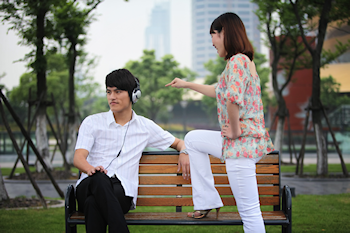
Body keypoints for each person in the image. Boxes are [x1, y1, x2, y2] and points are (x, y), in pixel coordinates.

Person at [166, 12, 274, 233]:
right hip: (247, 142)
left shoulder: (237, 61)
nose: (212, 43)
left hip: (241, 146)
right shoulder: (243, 61)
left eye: (213, 36)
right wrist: (186, 84)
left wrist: (234, 131)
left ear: (224, 33)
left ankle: (207, 201)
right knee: (193, 139)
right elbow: (219, 91)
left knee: (250, 212)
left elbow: (233, 99)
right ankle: (206, 201)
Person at [73, 68, 190, 233]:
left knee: (93, 204)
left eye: (118, 92)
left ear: (134, 95)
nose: (112, 97)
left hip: (121, 192)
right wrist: (91, 169)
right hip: (89, 184)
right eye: (109, 92)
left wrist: (184, 152)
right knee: (99, 179)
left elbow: (178, 142)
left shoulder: (144, 127)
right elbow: (78, 158)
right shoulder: (92, 122)